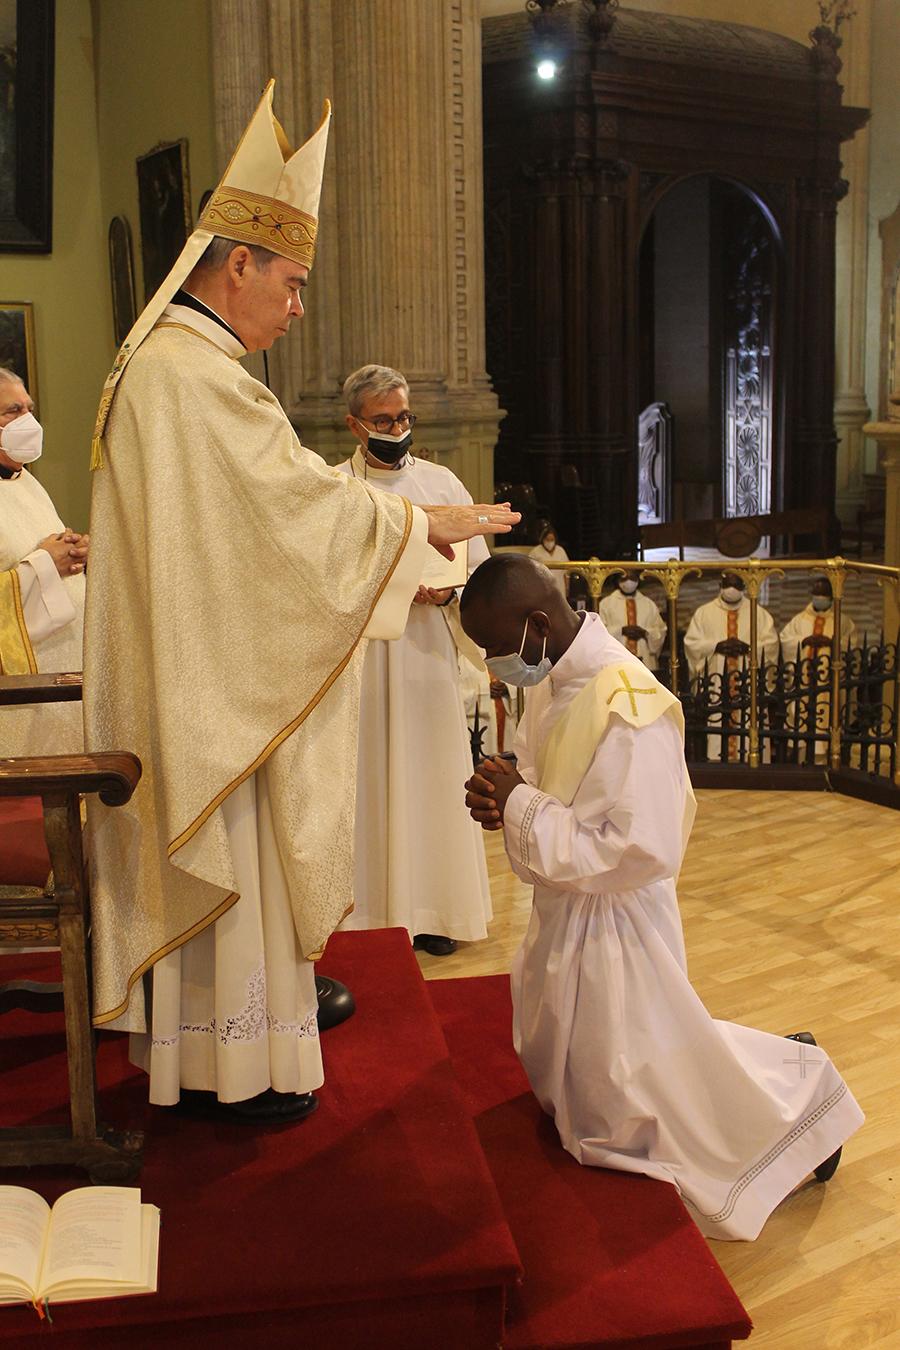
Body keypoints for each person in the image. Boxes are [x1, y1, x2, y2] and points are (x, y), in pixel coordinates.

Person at [83, 83, 517, 1125]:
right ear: (239, 264)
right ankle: (235, 1069)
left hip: (209, 665)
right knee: (238, 849)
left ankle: (219, 1049)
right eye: (293, 280)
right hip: (212, 687)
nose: (300, 305)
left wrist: (404, 523)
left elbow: (271, 509)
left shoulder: (176, 367)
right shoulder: (199, 379)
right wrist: (422, 526)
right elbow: (283, 518)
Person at [459, 553, 863, 1242]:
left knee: (631, 1101)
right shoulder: (554, 676)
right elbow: (538, 768)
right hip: (569, 911)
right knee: (597, 1082)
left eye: (498, 650)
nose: (498, 666)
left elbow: (641, 849)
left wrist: (521, 804)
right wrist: (504, 789)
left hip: (618, 922)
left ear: (535, 624)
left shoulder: (628, 702)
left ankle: (801, 1118)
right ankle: (778, 1070)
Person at [335, 365, 493, 957]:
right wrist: (401, 586)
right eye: (383, 419)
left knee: (432, 776)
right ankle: (371, 914)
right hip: (368, 659)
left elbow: (475, 567)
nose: (397, 428)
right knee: (370, 779)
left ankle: (435, 911)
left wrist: (450, 592)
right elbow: (328, 577)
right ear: (355, 425)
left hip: (427, 652)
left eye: (403, 417)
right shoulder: (337, 490)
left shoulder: (443, 483)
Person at [0, 367, 88, 756]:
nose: (27, 421)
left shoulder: (25, 480)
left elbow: (42, 548)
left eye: (29, 409)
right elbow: (36, 562)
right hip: (22, 694)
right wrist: (44, 564)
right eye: (12, 411)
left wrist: (75, 550)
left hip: (64, 676)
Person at [683, 571, 779, 761]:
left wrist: (748, 647)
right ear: (720, 586)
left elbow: (771, 643)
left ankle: (752, 756)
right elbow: (691, 643)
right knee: (717, 718)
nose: (731, 589)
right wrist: (716, 646)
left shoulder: (758, 613)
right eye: (728, 584)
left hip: (747, 680)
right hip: (718, 681)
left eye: (736, 585)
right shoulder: (704, 612)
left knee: (750, 715)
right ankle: (716, 758)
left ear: (744, 588)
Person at [779, 578, 858, 763]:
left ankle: (828, 760)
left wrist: (832, 643)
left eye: (823, 595)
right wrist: (805, 641)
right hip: (804, 679)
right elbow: (785, 639)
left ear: (831, 597)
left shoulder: (842, 620)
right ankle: (801, 760)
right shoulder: (800, 620)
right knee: (802, 716)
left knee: (829, 718)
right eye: (817, 595)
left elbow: (851, 643)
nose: (820, 598)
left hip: (828, 682)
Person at [597, 569, 667, 670]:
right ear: (618, 579)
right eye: (625, 577)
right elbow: (599, 633)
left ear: (638, 579)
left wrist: (645, 633)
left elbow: (660, 630)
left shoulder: (648, 604)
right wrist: (621, 630)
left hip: (644, 659)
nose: (629, 581)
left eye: (632, 578)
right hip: (615, 660)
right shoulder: (606, 604)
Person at [528, 524, 569, 598]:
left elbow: (566, 572)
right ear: (543, 539)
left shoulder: (561, 550)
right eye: (547, 539)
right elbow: (530, 571)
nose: (549, 542)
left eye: (552, 540)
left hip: (559, 586)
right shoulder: (535, 551)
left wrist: (567, 587)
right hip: (542, 587)